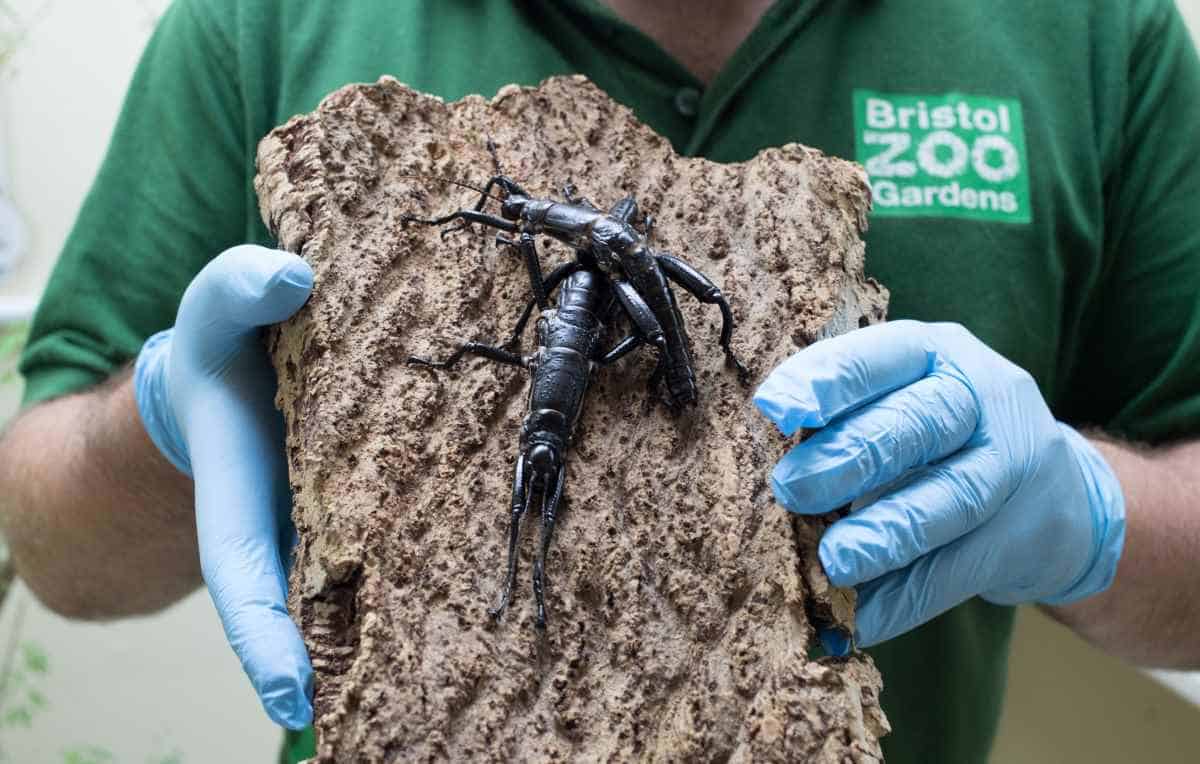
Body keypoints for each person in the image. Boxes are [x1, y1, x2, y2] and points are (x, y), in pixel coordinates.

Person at [1, 1, 1198, 761]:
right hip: (575, 328)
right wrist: (163, 422)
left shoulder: (1102, 34)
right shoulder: (256, 25)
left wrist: (1079, 509)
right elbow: (46, 540)